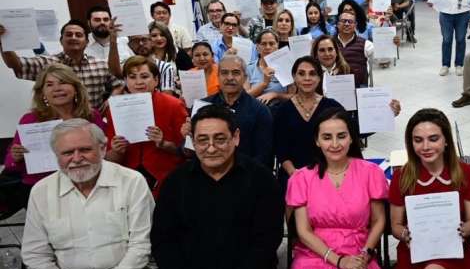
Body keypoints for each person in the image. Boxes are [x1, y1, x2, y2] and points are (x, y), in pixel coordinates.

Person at [138, 105, 283, 269]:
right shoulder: (175, 182)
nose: (211, 148)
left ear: (236, 137)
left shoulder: (261, 179)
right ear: (193, 141)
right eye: (203, 140)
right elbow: (162, 241)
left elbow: (268, 241)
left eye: (220, 139)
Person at [17, 119, 156, 269]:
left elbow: (141, 247)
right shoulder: (42, 191)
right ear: (56, 156)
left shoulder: (131, 181)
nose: (77, 158)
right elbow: (35, 254)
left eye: (85, 150)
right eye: (67, 153)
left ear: (102, 149)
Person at [286, 107, 387, 269]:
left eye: (341, 136)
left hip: (357, 252)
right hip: (315, 254)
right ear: (317, 141)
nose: (334, 144)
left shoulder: (371, 173)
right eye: (327, 137)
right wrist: (337, 260)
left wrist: (365, 254)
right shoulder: (301, 178)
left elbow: (378, 220)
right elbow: (303, 231)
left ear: (351, 138)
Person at [387, 109, 470, 269]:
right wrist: (404, 233)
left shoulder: (467, 173)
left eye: (433, 139)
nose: (425, 147)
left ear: (446, 140)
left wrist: (466, 228)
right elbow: (395, 225)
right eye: (418, 140)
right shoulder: (402, 176)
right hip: (415, 257)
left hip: (454, 256)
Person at [2, 64, 106, 214]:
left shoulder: (92, 116)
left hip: (86, 183)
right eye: (49, 85)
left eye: (63, 82)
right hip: (41, 187)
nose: (57, 88)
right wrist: (16, 157)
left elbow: (103, 152)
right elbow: (10, 165)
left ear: (75, 88)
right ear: (42, 92)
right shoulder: (30, 119)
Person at [106, 55, 188, 197]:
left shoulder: (174, 105)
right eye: (132, 77)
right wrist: (117, 151)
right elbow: (109, 159)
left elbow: (187, 151)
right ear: (125, 81)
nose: (138, 82)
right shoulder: (115, 108)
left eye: (144, 76)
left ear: (156, 80)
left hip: (166, 182)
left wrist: (163, 144)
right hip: (128, 183)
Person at [0, 19, 117, 109]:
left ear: (86, 42)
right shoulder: (47, 64)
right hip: (59, 124)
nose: (73, 38)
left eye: (78, 35)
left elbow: (118, 84)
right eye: (69, 34)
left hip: (93, 122)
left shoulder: (101, 65)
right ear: (61, 41)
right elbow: (16, 65)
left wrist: (111, 101)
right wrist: (3, 41)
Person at [198, 54, 274, 169]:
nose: (229, 78)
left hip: (247, 174)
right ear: (218, 76)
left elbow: (264, 155)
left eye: (235, 73)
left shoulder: (260, 111)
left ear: (245, 77)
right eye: (224, 73)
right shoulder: (203, 106)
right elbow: (189, 152)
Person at [274, 57, 344, 180]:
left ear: (319, 78)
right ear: (294, 77)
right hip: (293, 176)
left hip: (329, 176)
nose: (307, 78)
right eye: (301, 74)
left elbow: (348, 137)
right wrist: (294, 174)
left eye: (312, 74)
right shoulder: (282, 111)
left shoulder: (332, 107)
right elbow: (280, 149)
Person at [246, 29, 291, 105]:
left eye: (271, 43)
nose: (267, 47)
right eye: (264, 44)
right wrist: (264, 83)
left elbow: (293, 95)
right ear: (257, 47)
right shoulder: (249, 69)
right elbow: (244, 97)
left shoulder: (287, 67)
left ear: (277, 46)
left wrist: (275, 95)